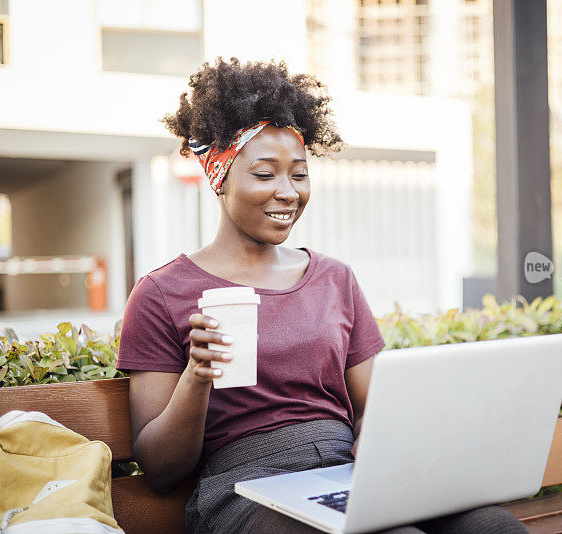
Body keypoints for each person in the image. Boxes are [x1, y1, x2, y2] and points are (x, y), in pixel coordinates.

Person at [116, 57, 529, 534]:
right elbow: (162, 470)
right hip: (246, 491)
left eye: (299, 173)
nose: (289, 192)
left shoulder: (335, 278)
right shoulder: (163, 293)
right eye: (266, 174)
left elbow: (374, 405)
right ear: (219, 177)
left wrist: (371, 445)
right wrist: (197, 376)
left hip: (345, 473)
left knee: (493, 526)